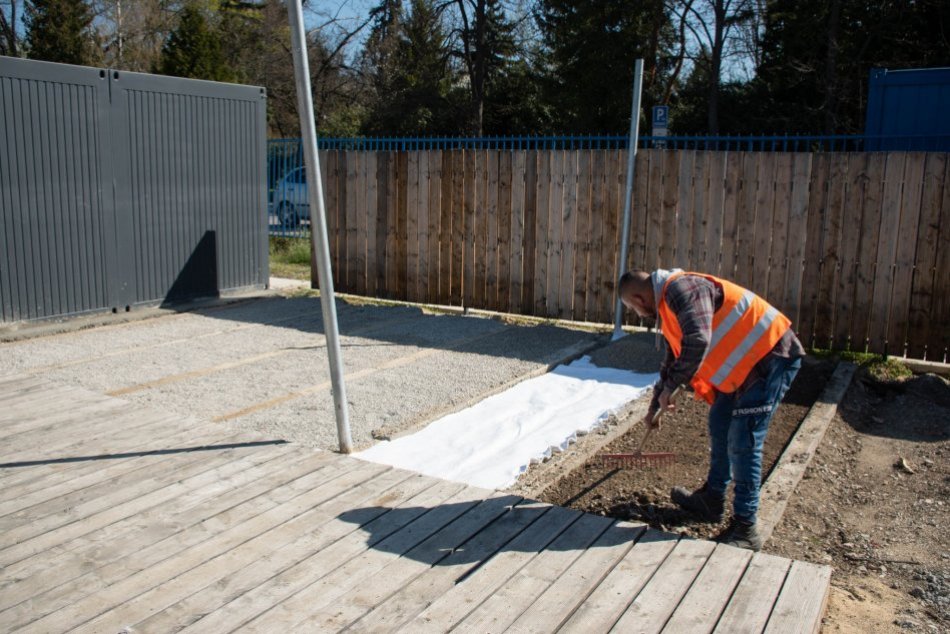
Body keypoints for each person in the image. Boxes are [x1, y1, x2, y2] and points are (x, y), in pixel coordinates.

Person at [618, 268, 805, 551]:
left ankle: (745, 527)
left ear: (638, 298)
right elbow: (674, 358)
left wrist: (672, 387)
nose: (635, 313)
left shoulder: (681, 289)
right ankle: (712, 500)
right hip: (742, 369)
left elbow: (698, 340)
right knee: (720, 423)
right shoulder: (669, 306)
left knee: (744, 441)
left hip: (769, 357)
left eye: (631, 308)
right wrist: (655, 404)